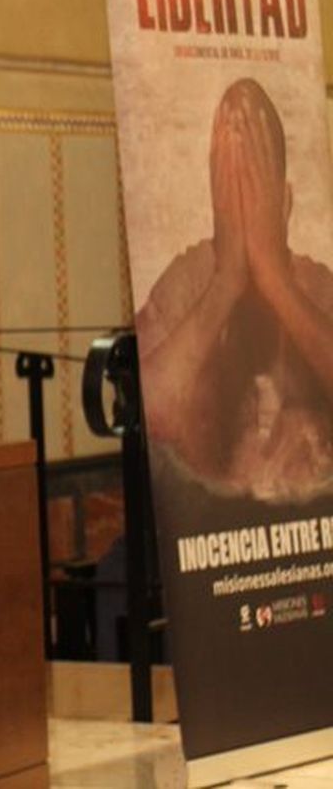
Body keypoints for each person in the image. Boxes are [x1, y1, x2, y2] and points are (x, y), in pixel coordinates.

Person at [137, 77, 333, 501]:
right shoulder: (192, 276)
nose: (244, 216)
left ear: (284, 205)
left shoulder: (316, 284)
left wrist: (275, 280)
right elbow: (149, 414)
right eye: (231, 196)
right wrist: (226, 281)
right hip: (200, 535)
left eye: (257, 198)